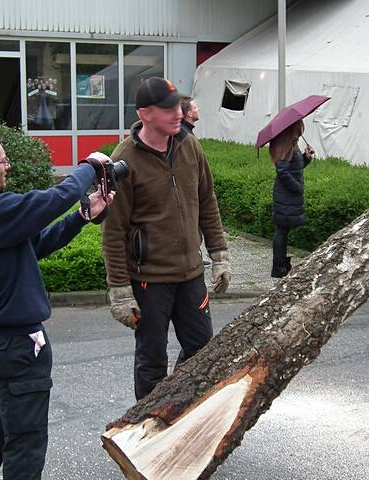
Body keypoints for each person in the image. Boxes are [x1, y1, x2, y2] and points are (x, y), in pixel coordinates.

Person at [0, 131, 113, 479]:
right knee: (25, 440)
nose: (6, 167)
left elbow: (36, 244)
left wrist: (82, 216)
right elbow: (53, 199)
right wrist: (90, 165)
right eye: (1, 162)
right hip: (19, 344)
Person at [102, 77, 231, 400]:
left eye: (178, 105)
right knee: (151, 360)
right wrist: (119, 291)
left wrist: (219, 254)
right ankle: (145, 430)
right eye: (168, 108)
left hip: (190, 274)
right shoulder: (124, 160)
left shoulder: (190, 146)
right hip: (149, 281)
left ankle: (177, 409)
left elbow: (207, 202)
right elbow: (113, 230)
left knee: (202, 351)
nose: (178, 113)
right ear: (145, 114)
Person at [270, 120, 314, 278]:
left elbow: (295, 167)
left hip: (288, 194)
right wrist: (297, 187)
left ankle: (281, 264)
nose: (301, 129)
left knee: (283, 230)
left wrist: (306, 157)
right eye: (299, 126)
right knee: (282, 229)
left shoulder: (292, 143)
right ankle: (278, 267)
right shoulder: (284, 143)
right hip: (286, 195)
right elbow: (282, 171)